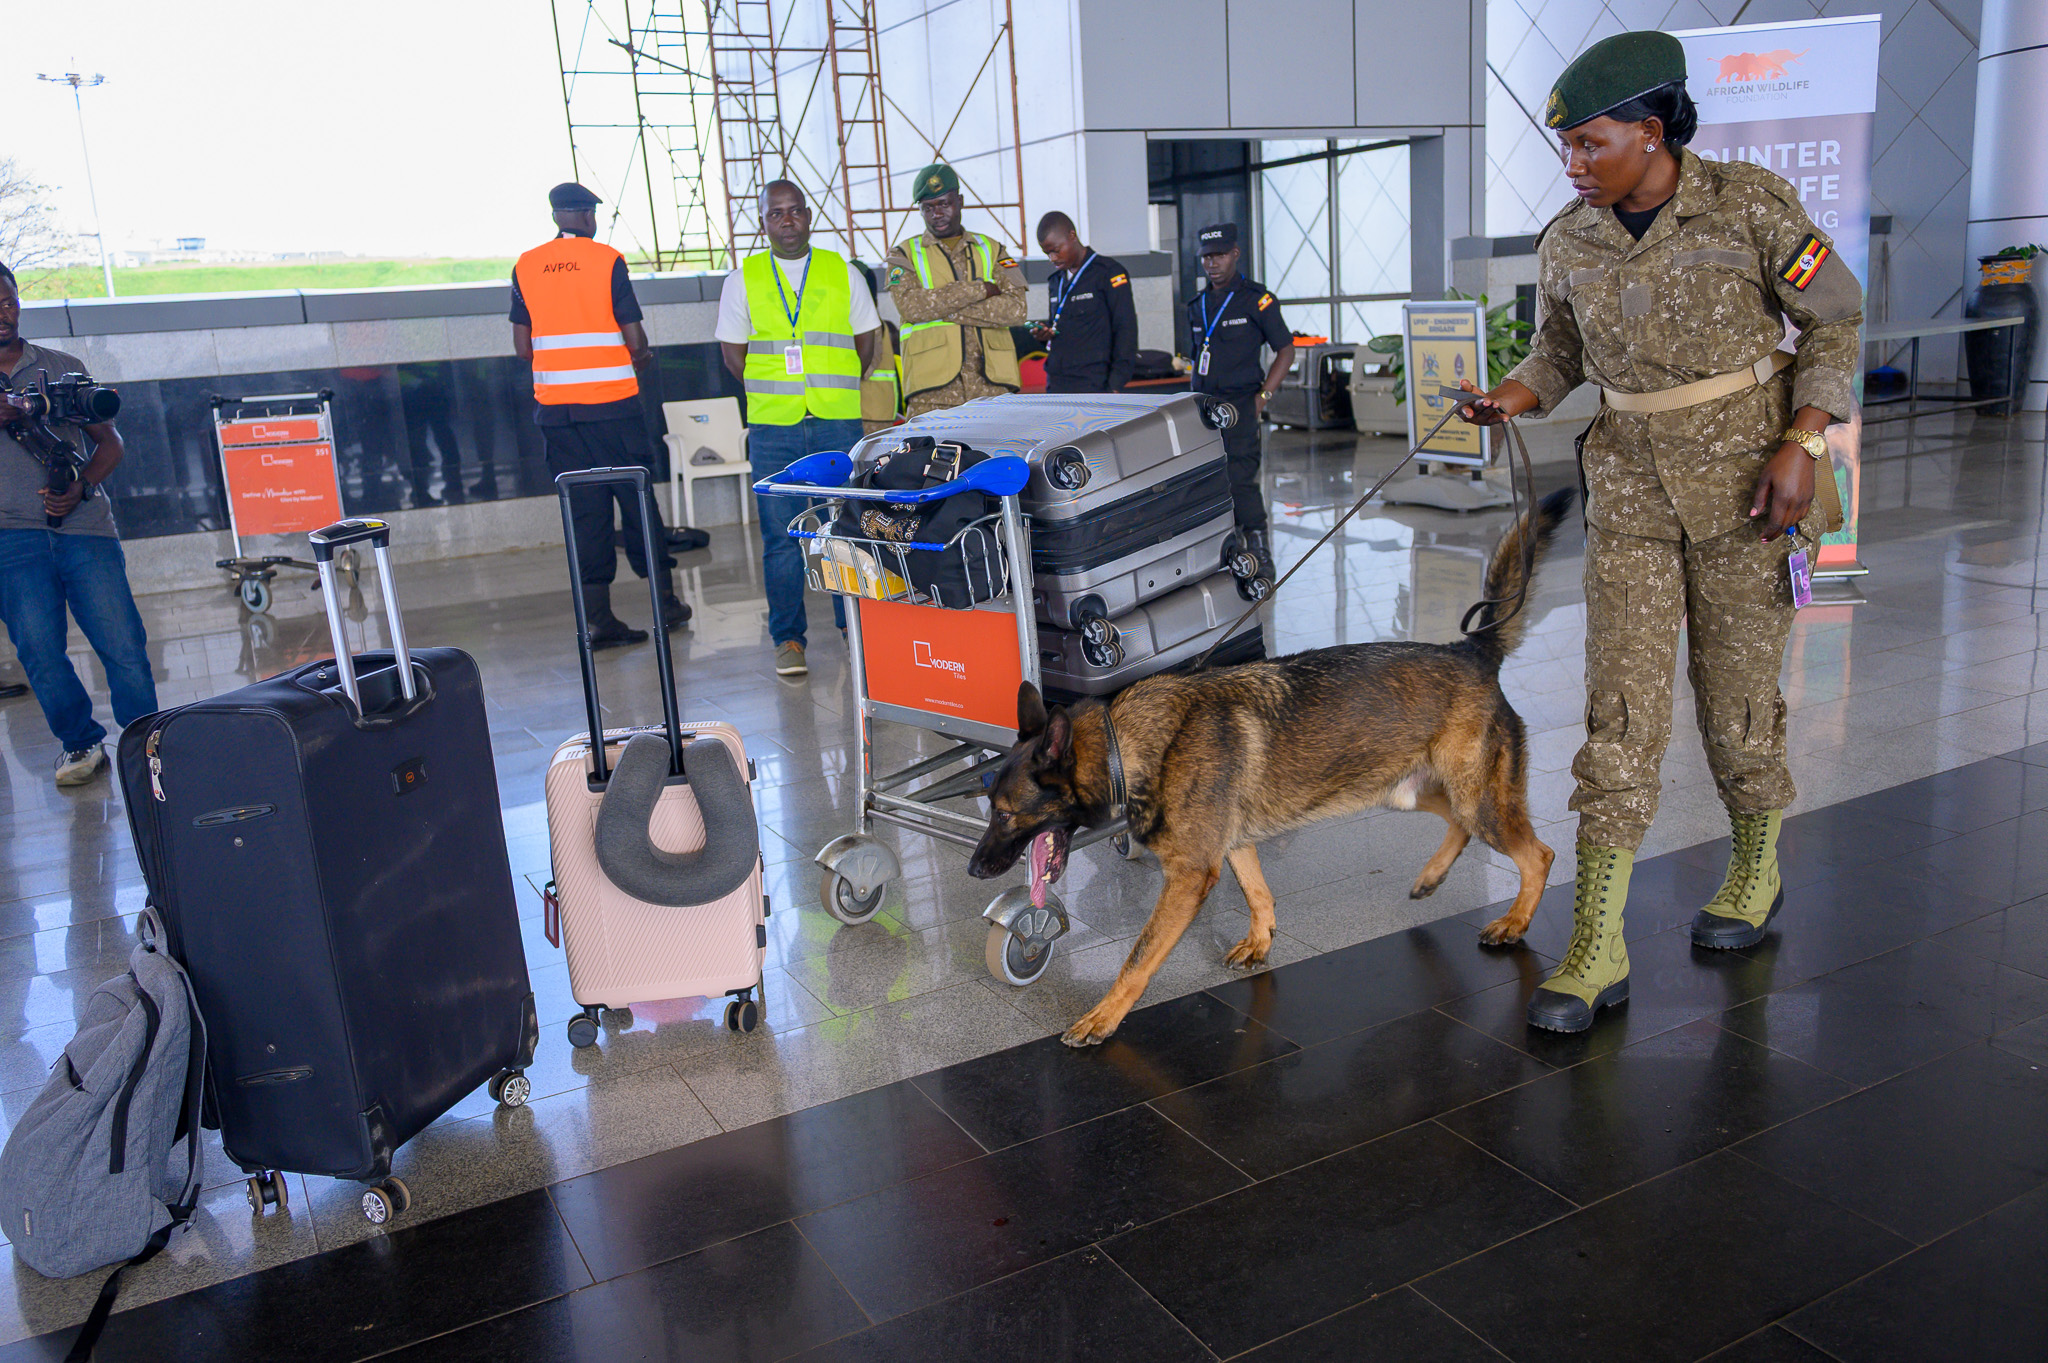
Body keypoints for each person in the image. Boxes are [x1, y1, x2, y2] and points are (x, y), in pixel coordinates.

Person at [1459, 31, 1862, 1033]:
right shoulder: (1569, 238)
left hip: (1747, 491)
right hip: (1630, 493)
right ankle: (1597, 940)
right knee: (1620, 710)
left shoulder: (1748, 204)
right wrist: (1513, 393)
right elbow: (1557, 348)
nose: (1574, 163)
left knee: (1733, 699)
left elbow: (1834, 319)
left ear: (1650, 131)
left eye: (1590, 143)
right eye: (1564, 147)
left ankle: (1753, 870)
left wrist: (1804, 439)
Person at [0, 261, 159, 786]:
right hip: (10, 536)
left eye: (8, 301)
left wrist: (82, 487)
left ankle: (145, 740)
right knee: (41, 652)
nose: (3, 314)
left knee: (123, 643)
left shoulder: (59, 364)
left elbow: (110, 442)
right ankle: (80, 745)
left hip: (86, 527)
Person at [512, 181, 689, 649]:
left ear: (556, 217)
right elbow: (635, 339)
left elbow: (521, 346)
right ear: (588, 216)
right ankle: (665, 603)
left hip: (558, 417)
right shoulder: (607, 260)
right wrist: (641, 355)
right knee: (636, 501)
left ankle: (597, 621)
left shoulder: (526, 265)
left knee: (585, 511)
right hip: (613, 409)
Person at [716, 179, 880, 678]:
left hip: (836, 419)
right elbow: (733, 355)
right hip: (774, 426)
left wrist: (843, 385)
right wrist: (773, 391)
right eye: (775, 214)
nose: (786, 221)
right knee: (780, 537)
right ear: (763, 221)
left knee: (845, 527)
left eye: (795, 212)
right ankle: (788, 639)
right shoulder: (742, 280)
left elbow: (867, 339)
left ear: (809, 216)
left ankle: (854, 627)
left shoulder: (840, 271)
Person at [1186, 223, 1294, 581]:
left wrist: (1262, 397)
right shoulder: (1198, 304)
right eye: (1206, 257)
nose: (1212, 263)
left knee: (1241, 479)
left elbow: (1285, 350)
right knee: (1207, 479)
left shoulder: (1255, 299)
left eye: (1219, 255)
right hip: (1204, 408)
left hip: (1241, 404)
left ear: (1234, 253)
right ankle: (1222, 550)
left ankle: (1260, 550)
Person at [884, 164, 1028, 419]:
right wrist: (980, 289)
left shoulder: (993, 249)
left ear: (959, 201)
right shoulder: (902, 255)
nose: (937, 213)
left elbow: (1017, 310)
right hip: (932, 394)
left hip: (992, 387)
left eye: (944, 204)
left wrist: (942, 309)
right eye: (928, 207)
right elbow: (912, 308)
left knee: (995, 459)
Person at [1031, 211, 1138, 394]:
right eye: (1047, 253)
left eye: (1056, 250)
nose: (1052, 258)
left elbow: (1125, 329)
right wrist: (1045, 333)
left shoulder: (1108, 273)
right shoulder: (1056, 281)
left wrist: (1116, 383)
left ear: (1072, 236)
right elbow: (1062, 323)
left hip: (1095, 383)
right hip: (1058, 381)